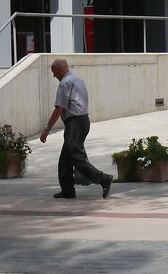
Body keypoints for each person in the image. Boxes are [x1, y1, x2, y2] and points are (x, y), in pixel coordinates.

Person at [40, 59, 113, 199]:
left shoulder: (65, 83)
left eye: (54, 72)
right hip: (83, 120)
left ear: (60, 70)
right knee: (65, 160)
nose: (54, 76)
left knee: (77, 157)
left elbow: (59, 108)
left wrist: (47, 128)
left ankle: (103, 179)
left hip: (75, 122)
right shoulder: (78, 80)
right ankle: (67, 190)